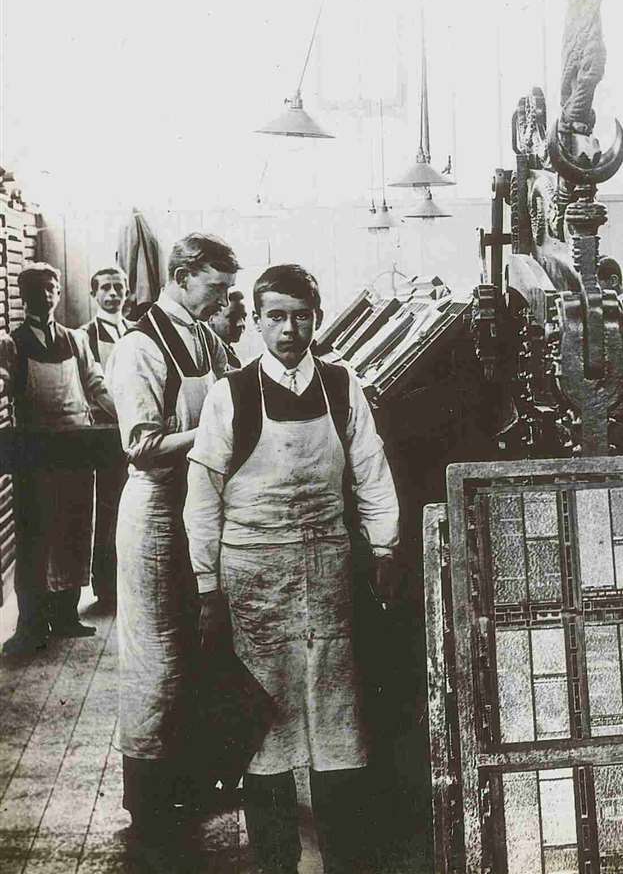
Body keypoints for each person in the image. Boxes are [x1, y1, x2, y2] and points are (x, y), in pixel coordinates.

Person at [184, 264, 399, 873]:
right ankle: (275, 857)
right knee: (266, 724)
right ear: (256, 320)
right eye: (275, 316)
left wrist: (383, 547)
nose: (288, 328)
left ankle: (343, 854)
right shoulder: (231, 393)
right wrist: (206, 586)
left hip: (328, 567)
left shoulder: (342, 385)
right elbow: (203, 494)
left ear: (317, 317)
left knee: (336, 715)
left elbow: (371, 469)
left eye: (300, 315)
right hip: (254, 575)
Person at [107, 232, 238, 848]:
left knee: (190, 652)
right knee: (157, 658)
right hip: (157, 513)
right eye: (216, 287)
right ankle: (150, 805)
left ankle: (186, 785)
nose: (225, 298)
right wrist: (215, 424)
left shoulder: (205, 337)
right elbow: (140, 445)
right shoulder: (139, 346)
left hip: (197, 509)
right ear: (183, 275)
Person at [0, 263, 116, 656]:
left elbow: (95, 384)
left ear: (57, 293)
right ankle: (30, 626)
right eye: (36, 290)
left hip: (77, 447)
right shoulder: (11, 344)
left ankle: (66, 615)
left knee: (75, 531)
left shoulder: (76, 340)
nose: (44, 296)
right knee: (35, 536)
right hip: (34, 452)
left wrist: (127, 417)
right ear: (23, 295)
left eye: (50, 289)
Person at [83, 264, 131, 608]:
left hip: (135, 431)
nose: (113, 294)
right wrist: (126, 416)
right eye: (106, 288)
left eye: (119, 288)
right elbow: (94, 389)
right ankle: (105, 587)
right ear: (94, 294)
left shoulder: (136, 332)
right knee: (107, 507)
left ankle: (130, 583)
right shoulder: (84, 335)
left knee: (132, 506)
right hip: (105, 431)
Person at [208, 288, 248, 369]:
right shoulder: (208, 354)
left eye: (243, 317)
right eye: (233, 317)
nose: (241, 323)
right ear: (211, 318)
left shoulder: (228, 351)